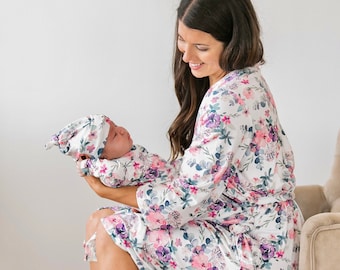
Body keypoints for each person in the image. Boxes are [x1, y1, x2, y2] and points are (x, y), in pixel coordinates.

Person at [81, 0, 304, 269]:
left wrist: (108, 191)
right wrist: (128, 166)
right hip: (251, 228)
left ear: (233, 43)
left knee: (110, 230)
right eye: (182, 40)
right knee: (99, 222)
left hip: (257, 246)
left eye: (201, 47)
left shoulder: (227, 99)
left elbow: (185, 199)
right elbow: (196, 174)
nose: (187, 56)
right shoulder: (243, 79)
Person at [45, 114, 180, 188]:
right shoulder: (115, 170)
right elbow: (109, 171)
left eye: (116, 126)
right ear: (102, 156)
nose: (121, 130)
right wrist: (86, 165)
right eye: (115, 135)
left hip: (174, 174)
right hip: (167, 193)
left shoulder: (127, 153)